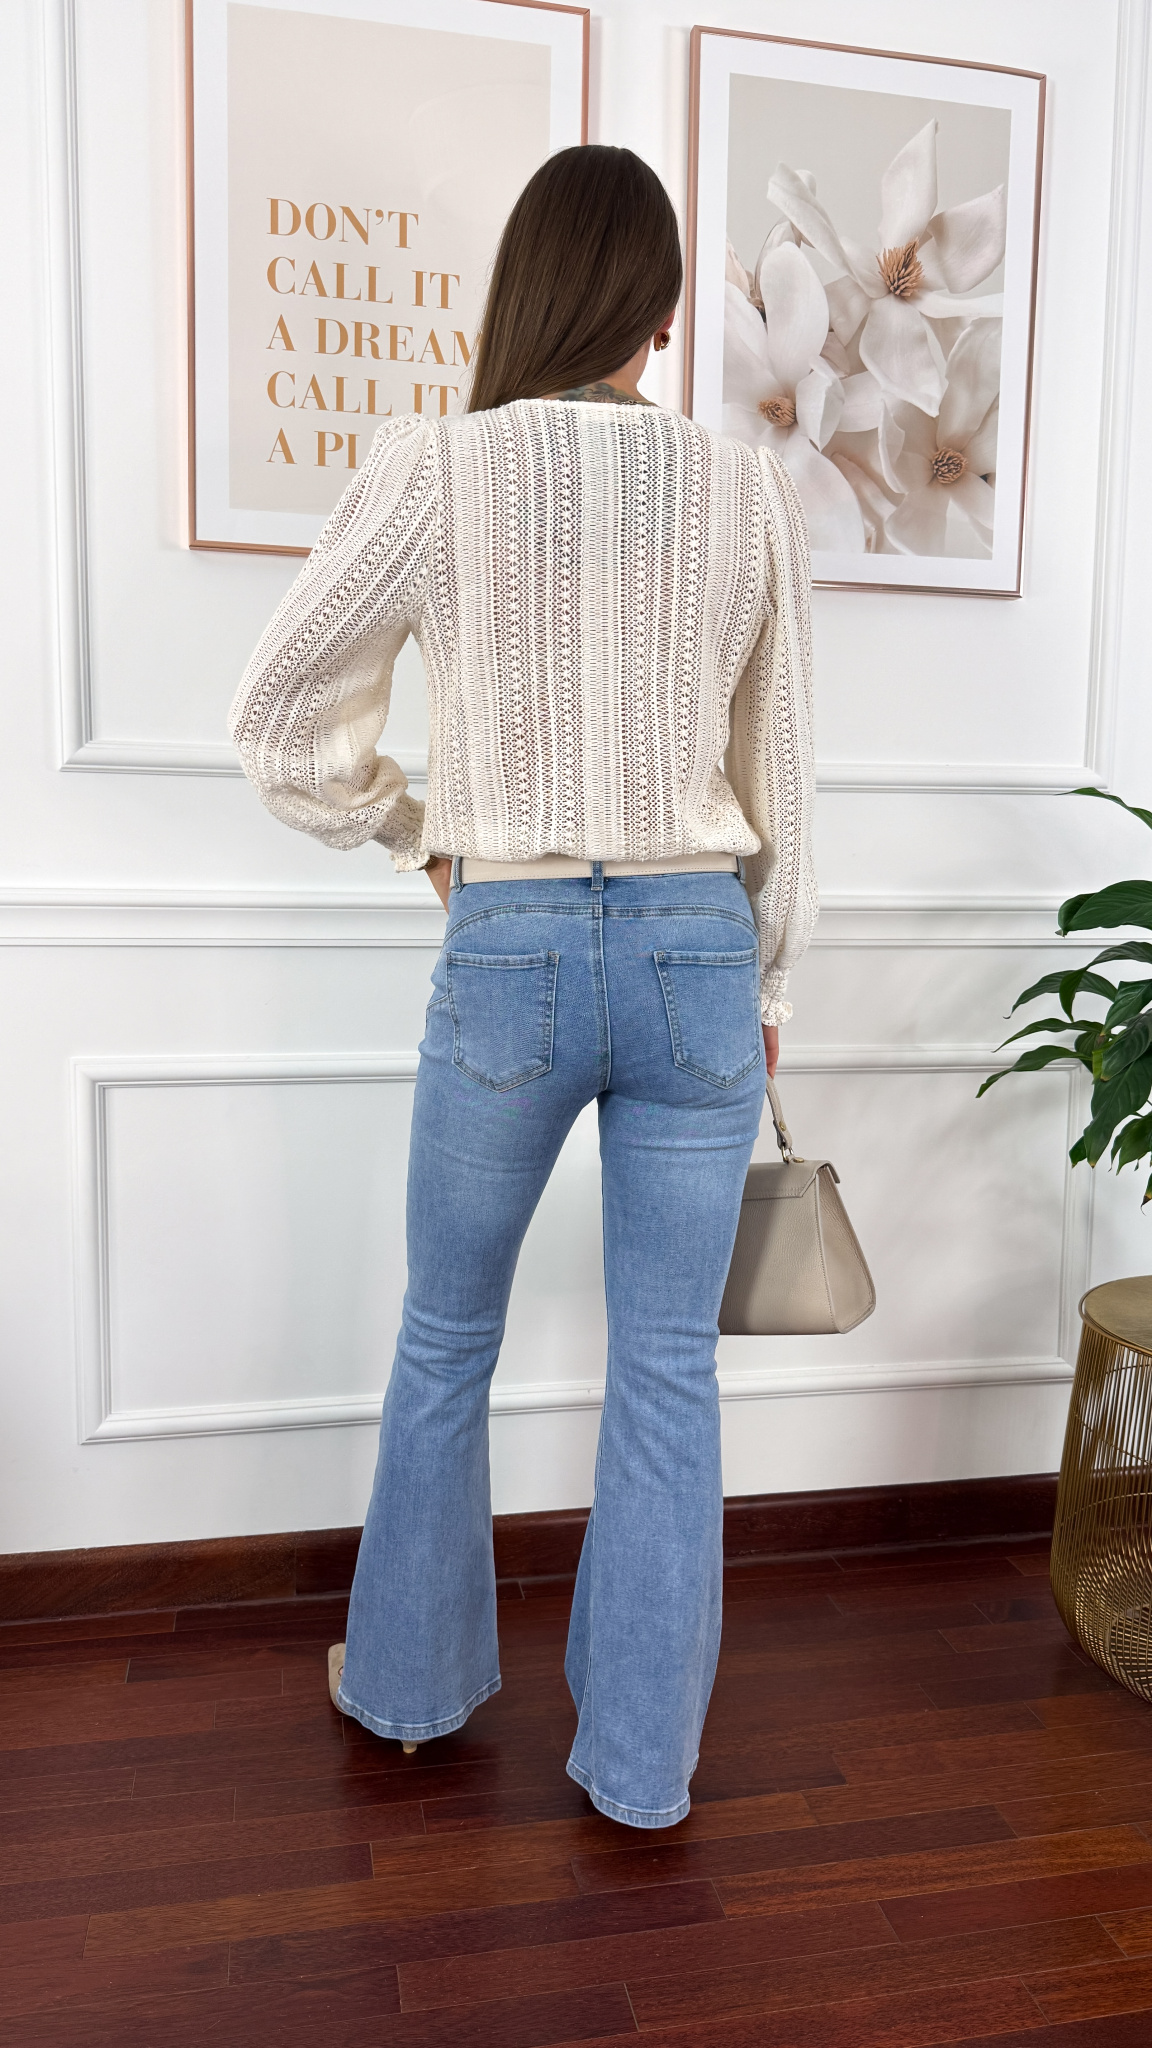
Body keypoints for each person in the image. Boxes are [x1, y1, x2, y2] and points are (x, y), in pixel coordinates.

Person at [228, 144, 815, 1830]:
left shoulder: (439, 467)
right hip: (700, 948)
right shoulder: (745, 488)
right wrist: (770, 974)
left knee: (445, 1338)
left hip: (515, 944)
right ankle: (641, 1770)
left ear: (527, 290)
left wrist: (420, 836)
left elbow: (277, 717)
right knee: (670, 1369)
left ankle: (407, 1694)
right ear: (665, 312)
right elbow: (782, 766)